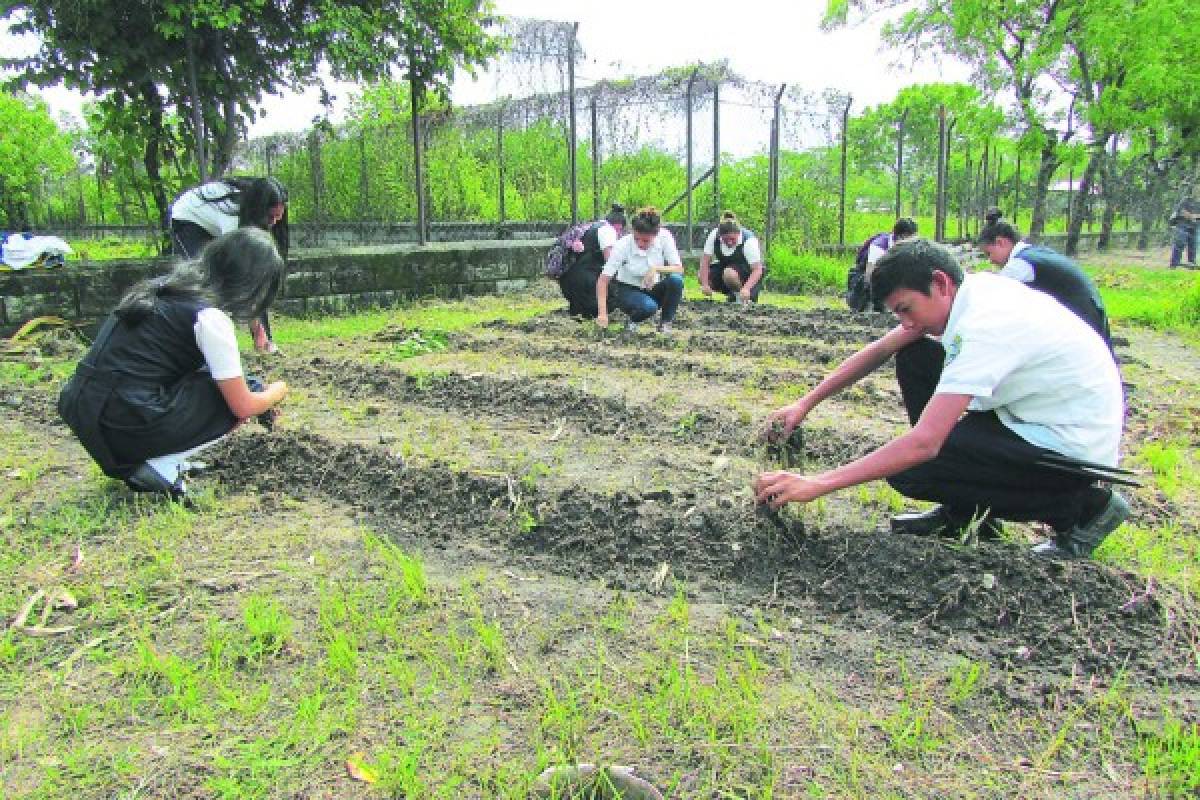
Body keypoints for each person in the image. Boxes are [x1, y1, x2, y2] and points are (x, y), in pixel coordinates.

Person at [756, 239, 1128, 560]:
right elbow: (881, 348)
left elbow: (924, 443)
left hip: (1069, 446)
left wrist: (817, 484)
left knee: (909, 470)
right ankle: (964, 511)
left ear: (940, 283)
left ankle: (1084, 511)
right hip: (1029, 415)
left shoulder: (985, 326)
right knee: (915, 353)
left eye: (906, 309)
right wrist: (805, 403)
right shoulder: (970, 292)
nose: (905, 321)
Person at [57, 227, 289, 499]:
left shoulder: (165, 288)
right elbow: (242, 405)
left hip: (85, 409)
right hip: (124, 419)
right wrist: (276, 392)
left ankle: (156, 461)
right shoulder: (209, 317)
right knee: (238, 394)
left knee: (231, 382)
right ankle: (161, 467)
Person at [169, 177, 289, 352]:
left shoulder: (254, 212)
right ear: (258, 210)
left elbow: (257, 275)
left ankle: (266, 340)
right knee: (200, 279)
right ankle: (195, 340)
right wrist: (256, 327)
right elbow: (242, 275)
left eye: (278, 217)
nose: (274, 223)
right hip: (189, 220)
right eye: (270, 217)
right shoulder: (232, 216)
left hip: (214, 223)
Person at [977, 221, 1112, 348]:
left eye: (989, 253)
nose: (991, 260)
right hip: (1091, 315)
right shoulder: (1035, 253)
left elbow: (993, 300)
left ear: (1001, 242)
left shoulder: (1020, 264)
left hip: (1084, 322)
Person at [595, 207, 685, 334]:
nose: (640, 244)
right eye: (637, 239)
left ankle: (665, 324)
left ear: (655, 235)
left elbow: (679, 268)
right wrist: (602, 314)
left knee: (676, 280)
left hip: (652, 288)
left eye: (646, 240)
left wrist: (656, 269)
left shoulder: (664, 237)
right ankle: (632, 320)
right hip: (627, 290)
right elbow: (603, 281)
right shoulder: (623, 245)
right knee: (649, 307)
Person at [558, 203, 627, 318]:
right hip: (586, 282)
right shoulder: (607, 231)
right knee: (613, 298)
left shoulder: (591, 227)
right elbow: (611, 262)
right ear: (618, 226)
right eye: (620, 230)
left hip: (569, 280)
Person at [846, 218, 918, 312]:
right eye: (911, 237)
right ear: (902, 236)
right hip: (865, 280)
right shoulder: (880, 246)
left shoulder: (907, 248)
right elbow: (869, 274)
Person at [699, 210, 766, 304]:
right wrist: (705, 285)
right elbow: (705, 262)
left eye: (732, 239)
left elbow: (757, 269)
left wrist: (746, 288)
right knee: (702, 276)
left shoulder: (749, 240)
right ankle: (732, 295)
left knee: (729, 274)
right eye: (726, 239)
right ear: (720, 236)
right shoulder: (714, 236)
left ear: (738, 234)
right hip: (726, 268)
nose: (729, 242)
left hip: (747, 273)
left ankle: (742, 299)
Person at [1168, 190, 1199, 268]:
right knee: (1180, 242)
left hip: (1195, 226)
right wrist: (1191, 216)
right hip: (1182, 224)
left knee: (1193, 245)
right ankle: (1174, 264)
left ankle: (1192, 263)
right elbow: (1181, 211)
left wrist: (1195, 216)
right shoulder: (1186, 200)